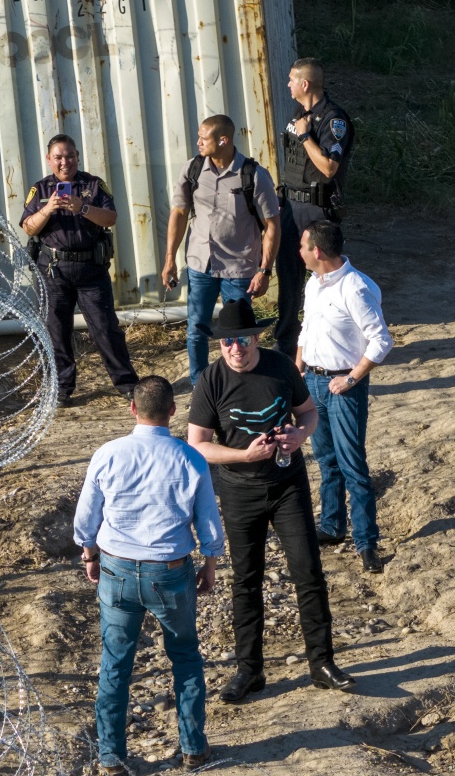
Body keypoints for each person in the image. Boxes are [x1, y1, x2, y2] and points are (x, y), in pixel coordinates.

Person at [188, 300, 351, 703]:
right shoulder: (211, 380)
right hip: (240, 491)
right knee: (246, 580)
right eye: (226, 342)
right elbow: (198, 445)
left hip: (288, 485)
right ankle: (249, 670)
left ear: (255, 338)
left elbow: (309, 413)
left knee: (308, 571)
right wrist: (244, 456)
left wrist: (301, 436)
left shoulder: (280, 367)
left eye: (241, 341)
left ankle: (322, 663)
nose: (235, 349)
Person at [73, 375, 224, 776]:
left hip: (117, 569)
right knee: (186, 657)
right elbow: (208, 523)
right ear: (173, 411)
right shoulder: (190, 458)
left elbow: (86, 517)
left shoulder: (108, 454)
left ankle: (111, 757)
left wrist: (89, 554)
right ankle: (192, 748)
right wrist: (209, 565)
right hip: (171, 572)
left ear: (133, 409)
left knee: (116, 662)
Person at [295, 219, 392, 573]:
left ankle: (367, 542)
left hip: (343, 386)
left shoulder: (356, 288)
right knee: (325, 458)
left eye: (303, 246)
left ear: (317, 251)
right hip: (314, 383)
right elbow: (305, 328)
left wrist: (351, 378)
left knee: (353, 464)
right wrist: (298, 369)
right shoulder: (313, 284)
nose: (300, 252)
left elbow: (382, 340)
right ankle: (333, 527)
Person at [161, 114, 282, 382]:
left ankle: (241, 384)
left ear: (223, 140)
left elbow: (272, 225)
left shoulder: (253, 175)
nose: (198, 142)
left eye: (203, 138)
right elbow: (179, 213)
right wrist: (170, 258)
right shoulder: (192, 169)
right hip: (200, 265)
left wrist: (265, 270)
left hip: (239, 269)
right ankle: (200, 385)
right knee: (196, 330)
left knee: (239, 333)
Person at [22, 134, 139, 407]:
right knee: (57, 332)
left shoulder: (93, 185)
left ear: (77, 156)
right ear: (49, 160)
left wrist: (82, 207)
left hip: (90, 270)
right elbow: (28, 226)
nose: (65, 162)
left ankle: (127, 384)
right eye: (59, 157)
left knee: (105, 329)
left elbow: (111, 218)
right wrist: (48, 209)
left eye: (70, 156)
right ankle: (62, 389)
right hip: (54, 270)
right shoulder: (40, 190)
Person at [277, 57, 355, 353]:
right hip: (291, 206)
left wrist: (306, 135)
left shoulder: (334, 120)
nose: (288, 84)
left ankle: (333, 337)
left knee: (326, 276)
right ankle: (286, 343)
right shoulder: (300, 112)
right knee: (288, 275)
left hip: (316, 210)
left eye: (291, 80)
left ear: (305, 84)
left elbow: (329, 168)